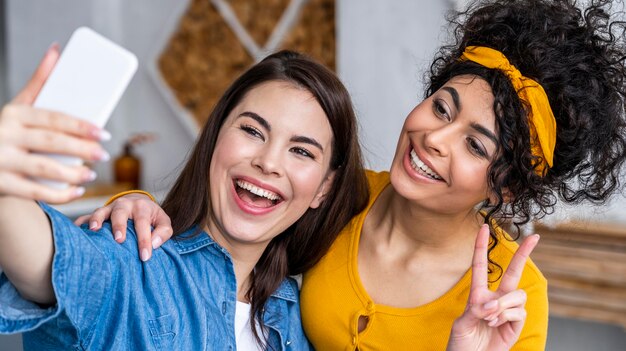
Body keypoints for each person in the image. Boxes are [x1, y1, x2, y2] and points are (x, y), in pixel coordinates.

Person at [90, 0, 626, 349]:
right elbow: (223, 229)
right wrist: (138, 205)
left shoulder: (511, 296)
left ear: (505, 185)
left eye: (474, 143)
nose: (434, 138)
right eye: (442, 108)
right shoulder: (340, 193)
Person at [0, 48, 528, 349]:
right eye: (252, 131)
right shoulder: (128, 262)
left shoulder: (292, 322)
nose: (269, 162)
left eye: (302, 151)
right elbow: (37, 253)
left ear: (324, 188)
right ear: (216, 139)